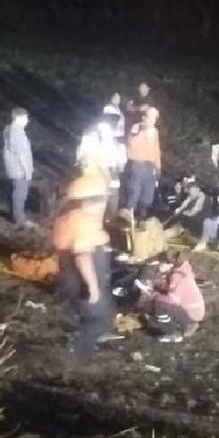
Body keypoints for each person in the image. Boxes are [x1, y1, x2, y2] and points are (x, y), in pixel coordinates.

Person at [53, 175, 118, 357]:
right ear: (90, 202)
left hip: (72, 276)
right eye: (103, 200)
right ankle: (80, 354)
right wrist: (92, 287)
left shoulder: (70, 216)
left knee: (101, 311)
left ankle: (92, 340)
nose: (105, 204)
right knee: (97, 317)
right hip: (81, 279)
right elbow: (82, 256)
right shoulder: (83, 223)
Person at [139, 250, 205, 342]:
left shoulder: (178, 277)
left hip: (190, 314)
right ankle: (174, 324)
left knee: (160, 305)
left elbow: (172, 300)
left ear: (170, 264)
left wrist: (154, 295)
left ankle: (172, 332)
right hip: (193, 310)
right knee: (160, 298)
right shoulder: (183, 269)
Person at [74, 116, 122, 224]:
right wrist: (109, 180)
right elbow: (103, 166)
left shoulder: (87, 146)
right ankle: (103, 223)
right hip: (98, 181)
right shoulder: (97, 146)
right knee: (99, 206)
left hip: (90, 180)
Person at [122, 106, 162, 226]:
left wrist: (158, 167)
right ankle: (128, 219)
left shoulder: (155, 131)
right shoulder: (137, 128)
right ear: (144, 117)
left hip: (150, 167)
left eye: (155, 118)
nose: (153, 120)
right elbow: (131, 144)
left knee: (147, 196)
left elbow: (156, 150)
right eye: (151, 117)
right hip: (138, 165)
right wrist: (142, 132)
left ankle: (142, 219)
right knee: (134, 193)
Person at [1, 107, 34, 226]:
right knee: (20, 194)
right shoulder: (17, 132)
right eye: (25, 118)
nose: (27, 120)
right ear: (19, 118)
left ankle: (16, 216)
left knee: (16, 193)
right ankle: (19, 219)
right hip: (19, 169)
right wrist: (27, 171)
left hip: (13, 168)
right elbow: (21, 154)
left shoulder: (9, 129)